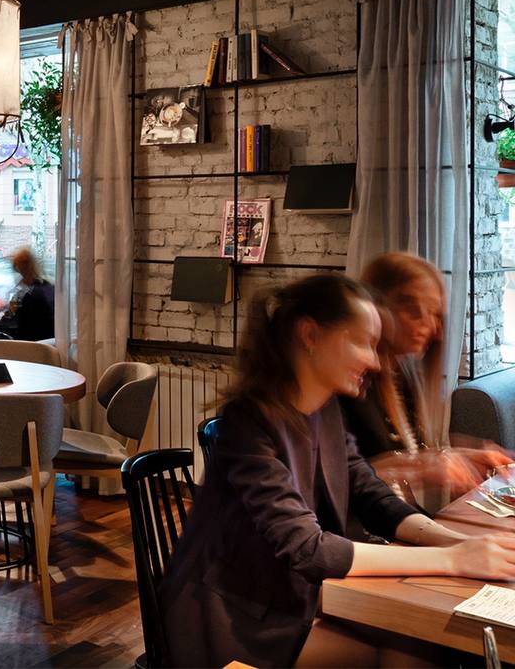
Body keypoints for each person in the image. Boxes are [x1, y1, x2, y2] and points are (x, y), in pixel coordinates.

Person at [158, 274, 515, 667]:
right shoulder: (248, 423)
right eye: (362, 342)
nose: (374, 361)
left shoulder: (324, 410)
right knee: (412, 649)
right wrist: (454, 560)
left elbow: (372, 496)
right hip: (230, 622)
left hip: (288, 603)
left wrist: (455, 542)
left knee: (424, 643)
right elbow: (308, 549)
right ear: (310, 334)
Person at [343, 252, 506, 509]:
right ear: (378, 307)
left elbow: (407, 454)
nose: (436, 330)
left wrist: (467, 455)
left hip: (395, 517)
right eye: (417, 312)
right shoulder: (350, 382)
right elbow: (340, 479)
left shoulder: (402, 373)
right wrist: (424, 468)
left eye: (436, 315)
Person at [0, 247, 55, 341]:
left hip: (28, 345)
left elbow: (4, 326)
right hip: (48, 344)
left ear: (20, 271)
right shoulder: (50, 287)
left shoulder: (25, 294)